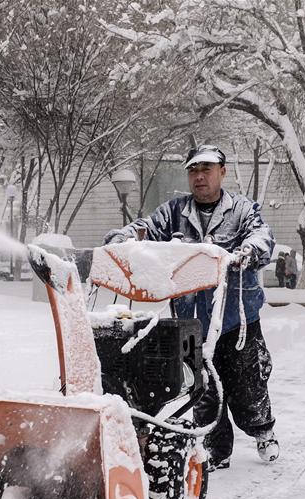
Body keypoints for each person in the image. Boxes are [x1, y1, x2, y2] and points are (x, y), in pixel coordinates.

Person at [104, 144, 278, 470]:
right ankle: (216, 449)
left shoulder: (242, 210)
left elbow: (261, 236)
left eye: (206, 170)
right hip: (190, 320)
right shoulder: (175, 212)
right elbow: (146, 228)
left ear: (222, 173)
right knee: (202, 389)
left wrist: (248, 252)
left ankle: (262, 430)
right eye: (194, 171)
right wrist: (124, 236)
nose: (199, 177)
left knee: (247, 383)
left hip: (235, 319)